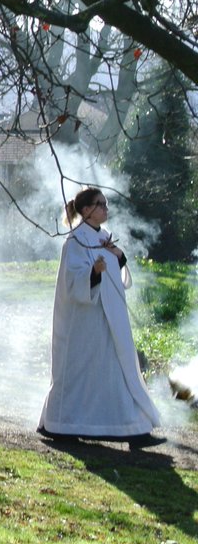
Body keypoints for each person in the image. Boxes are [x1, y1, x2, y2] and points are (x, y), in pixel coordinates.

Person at [38, 188, 165, 448]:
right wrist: (93, 273)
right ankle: (63, 424)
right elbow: (72, 282)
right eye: (100, 204)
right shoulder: (75, 241)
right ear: (86, 210)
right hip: (86, 324)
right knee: (83, 375)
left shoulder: (105, 237)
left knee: (119, 371)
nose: (106, 209)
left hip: (112, 320)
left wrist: (119, 256)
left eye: (106, 204)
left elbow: (118, 275)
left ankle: (135, 429)